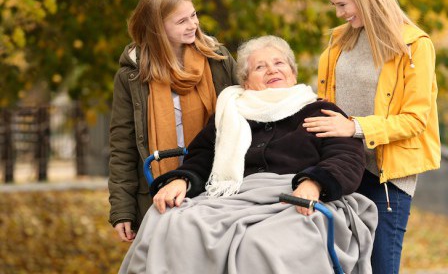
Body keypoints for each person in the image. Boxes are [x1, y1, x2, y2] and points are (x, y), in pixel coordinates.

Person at [119, 36, 377, 274]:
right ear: (245, 82)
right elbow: (202, 155)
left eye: (279, 63)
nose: (272, 70)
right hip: (232, 197)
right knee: (168, 220)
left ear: (293, 72)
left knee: (259, 244)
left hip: (298, 197)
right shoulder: (231, 112)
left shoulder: (318, 110)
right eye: (260, 67)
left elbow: (346, 156)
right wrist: (182, 179)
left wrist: (314, 183)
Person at [303, 0, 441, 274]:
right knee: (337, 267)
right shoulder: (339, 40)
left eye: (342, 4)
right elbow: (328, 102)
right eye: (334, 5)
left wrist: (353, 127)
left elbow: (415, 120)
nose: (339, 13)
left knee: (380, 267)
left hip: (385, 177)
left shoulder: (414, 46)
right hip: (340, 168)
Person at [108, 0, 238, 242]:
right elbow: (122, 147)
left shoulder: (218, 60)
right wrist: (122, 209)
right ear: (157, 27)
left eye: (193, 15)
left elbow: (244, 116)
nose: (193, 25)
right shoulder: (131, 76)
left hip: (215, 186)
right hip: (158, 192)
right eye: (181, 21)